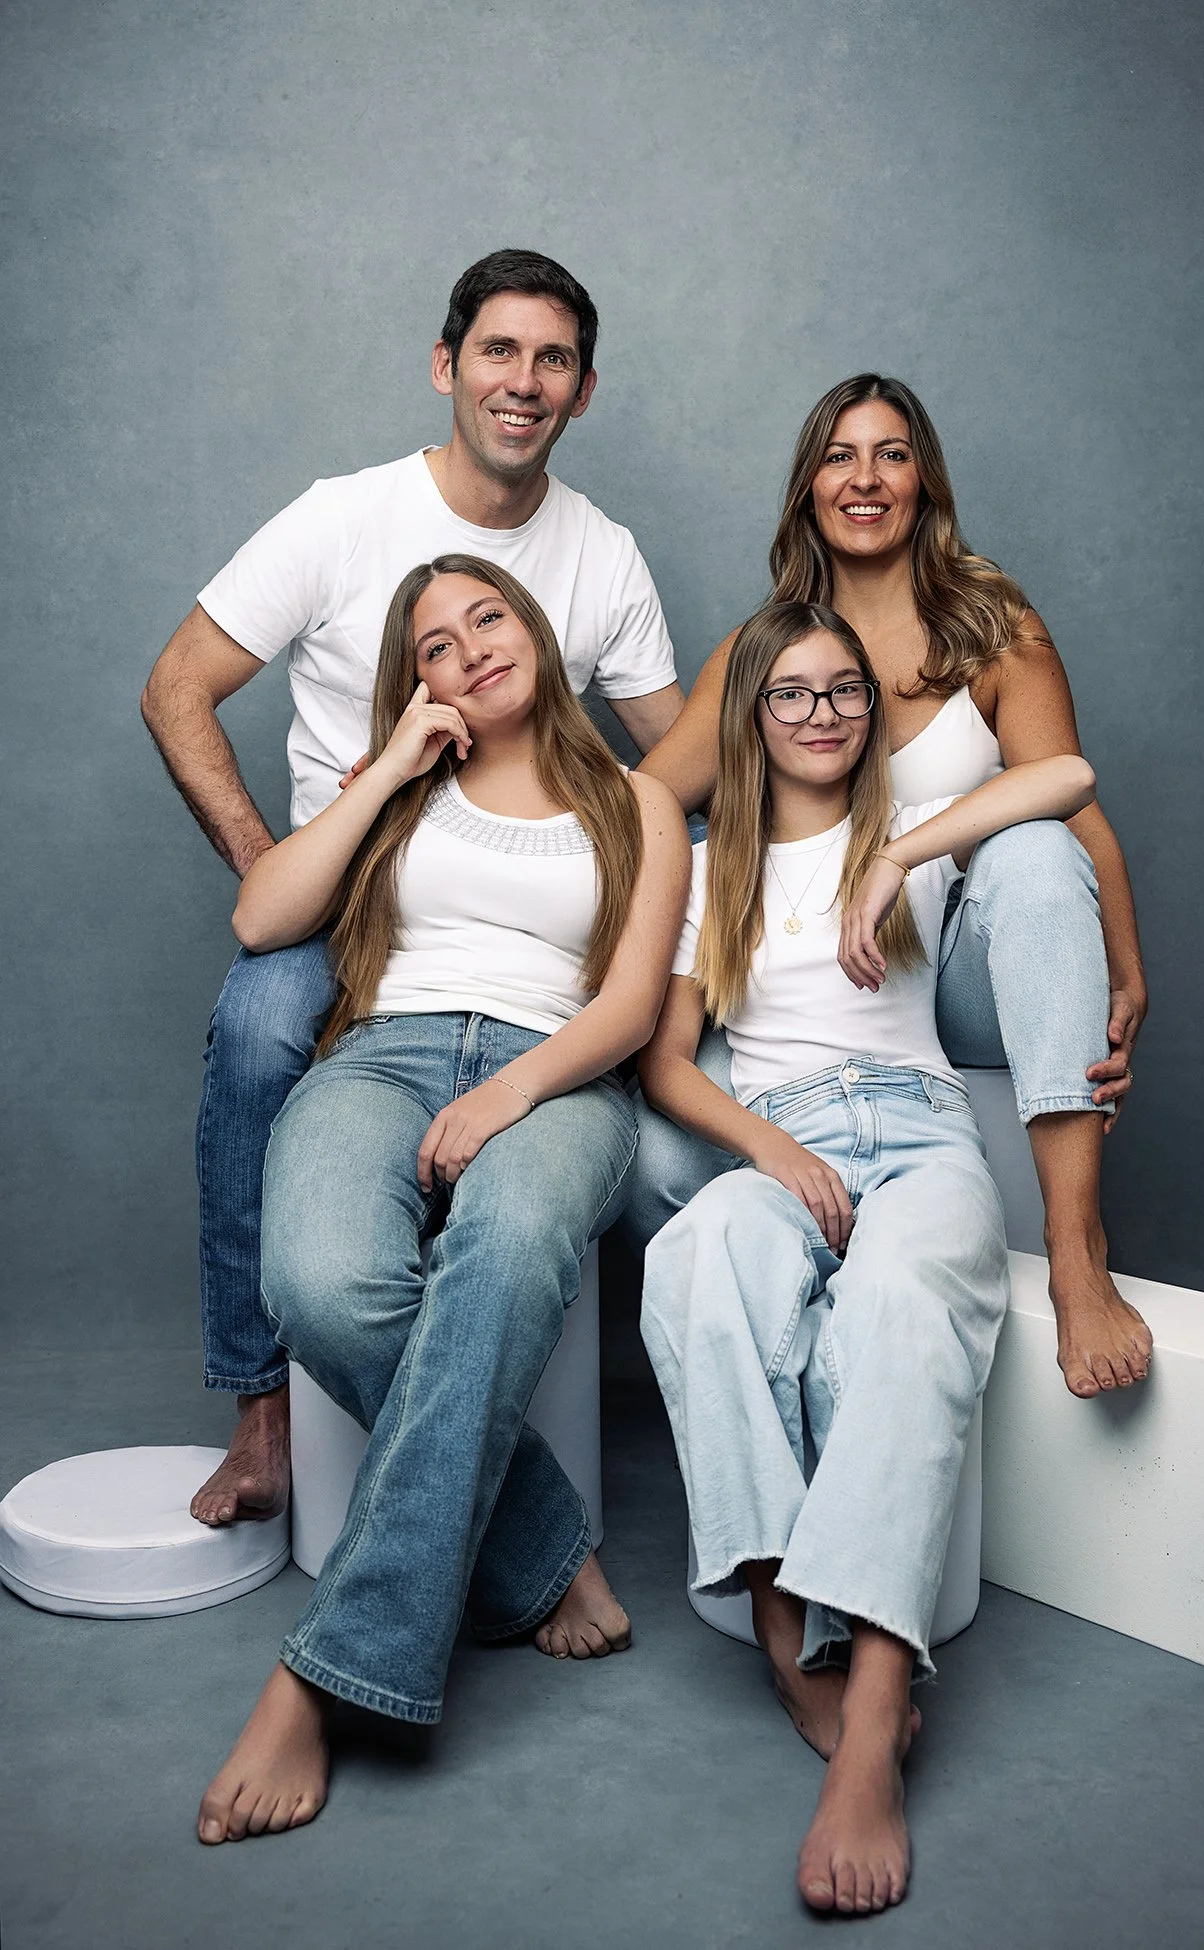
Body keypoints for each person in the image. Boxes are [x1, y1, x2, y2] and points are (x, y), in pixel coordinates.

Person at [140, 250, 685, 1527]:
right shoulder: (343, 517)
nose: (523, 382)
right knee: (263, 1019)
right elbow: (178, 687)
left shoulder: (601, 556)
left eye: (552, 360)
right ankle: (260, 1409)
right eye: (498, 352)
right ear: (447, 367)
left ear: (583, 391)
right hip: (353, 881)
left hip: (516, 935)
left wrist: (857, 792)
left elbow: (683, 751)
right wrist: (276, 862)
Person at [197, 555, 689, 1843]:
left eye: (487, 618)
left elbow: (633, 1008)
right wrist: (391, 768)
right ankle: (542, 1548)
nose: (467, 649)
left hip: (563, 1073)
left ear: (534, 631)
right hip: (387, 1053)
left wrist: (511, 1091)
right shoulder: (401, 788)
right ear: (413, 683)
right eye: (431, 646)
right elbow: (263, 921)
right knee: (319, 1282)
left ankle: (326, 1672)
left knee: (511, 1242)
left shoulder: (636, 802)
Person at [638, 600, 1094, 1912]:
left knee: (901, 1301)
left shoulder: (910, 833)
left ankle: (881, 1688)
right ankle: (786, 1615)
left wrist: (904, 860)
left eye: (846, 690)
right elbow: (668, 1062)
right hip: (780, 1137)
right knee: (693, 1260)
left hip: (920, 1133)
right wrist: (770, 1156)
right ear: (754, 718)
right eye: (793, 693)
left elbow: (1065, 774)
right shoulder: (713, 862)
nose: (825, 711)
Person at [639, 373, 1152, 1399]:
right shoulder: (764, 652)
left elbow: (1070, 799)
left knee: (1031, 846)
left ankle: (1073, 1246)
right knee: (656, 1140)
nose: (864, 479)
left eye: (891, 454)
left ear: (925, 482)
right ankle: (802, 1326)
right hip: (810, 997)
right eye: (838, 455)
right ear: (806, 489)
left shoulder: (992, 627)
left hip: (960, 971)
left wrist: (1124, 975)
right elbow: (650, 802)